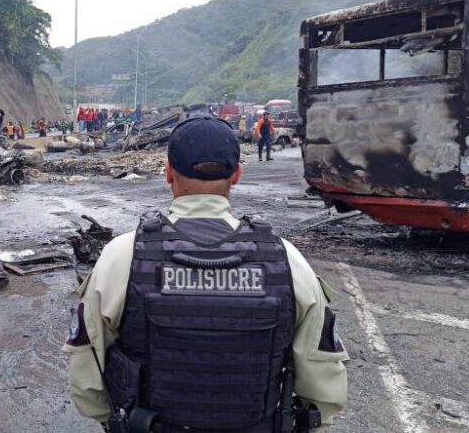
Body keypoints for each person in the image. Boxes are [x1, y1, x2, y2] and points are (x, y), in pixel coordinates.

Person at [65, 116, 348, 433]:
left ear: (168, 172)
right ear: (237, 174)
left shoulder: (122, 257)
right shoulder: (286, 259)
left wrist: (112, 420)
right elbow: (323, 390)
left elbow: (87, 373)